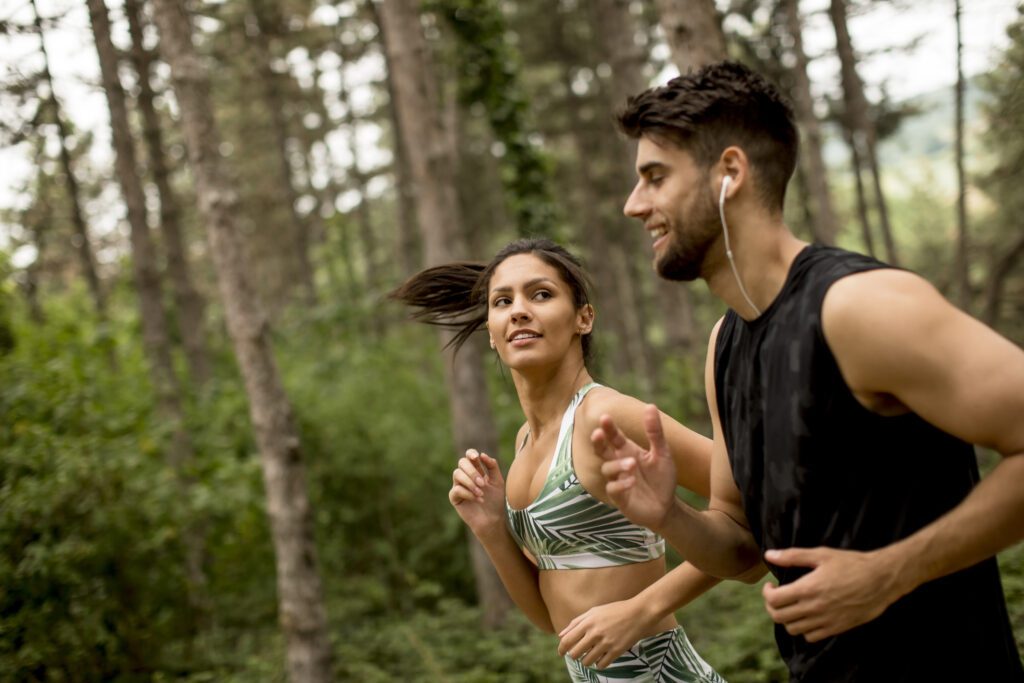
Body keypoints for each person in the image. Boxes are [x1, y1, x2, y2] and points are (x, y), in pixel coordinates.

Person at [592, 61, 1024, 681]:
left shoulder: (858, 307)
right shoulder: (724, 347)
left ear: (730, 173)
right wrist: (669, 516)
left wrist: (890, 572)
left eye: (655, 177)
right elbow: (742, 552)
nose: (634, 205)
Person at [392, 238, 731, 682]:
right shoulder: (525, 443)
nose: (518, 310)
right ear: (492, 333)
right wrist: (492, 528)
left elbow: (757, 508)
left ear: (583, 318)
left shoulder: (604, 416)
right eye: (502, 301)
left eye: (541, 294)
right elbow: (554, 622)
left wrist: (640, 610)